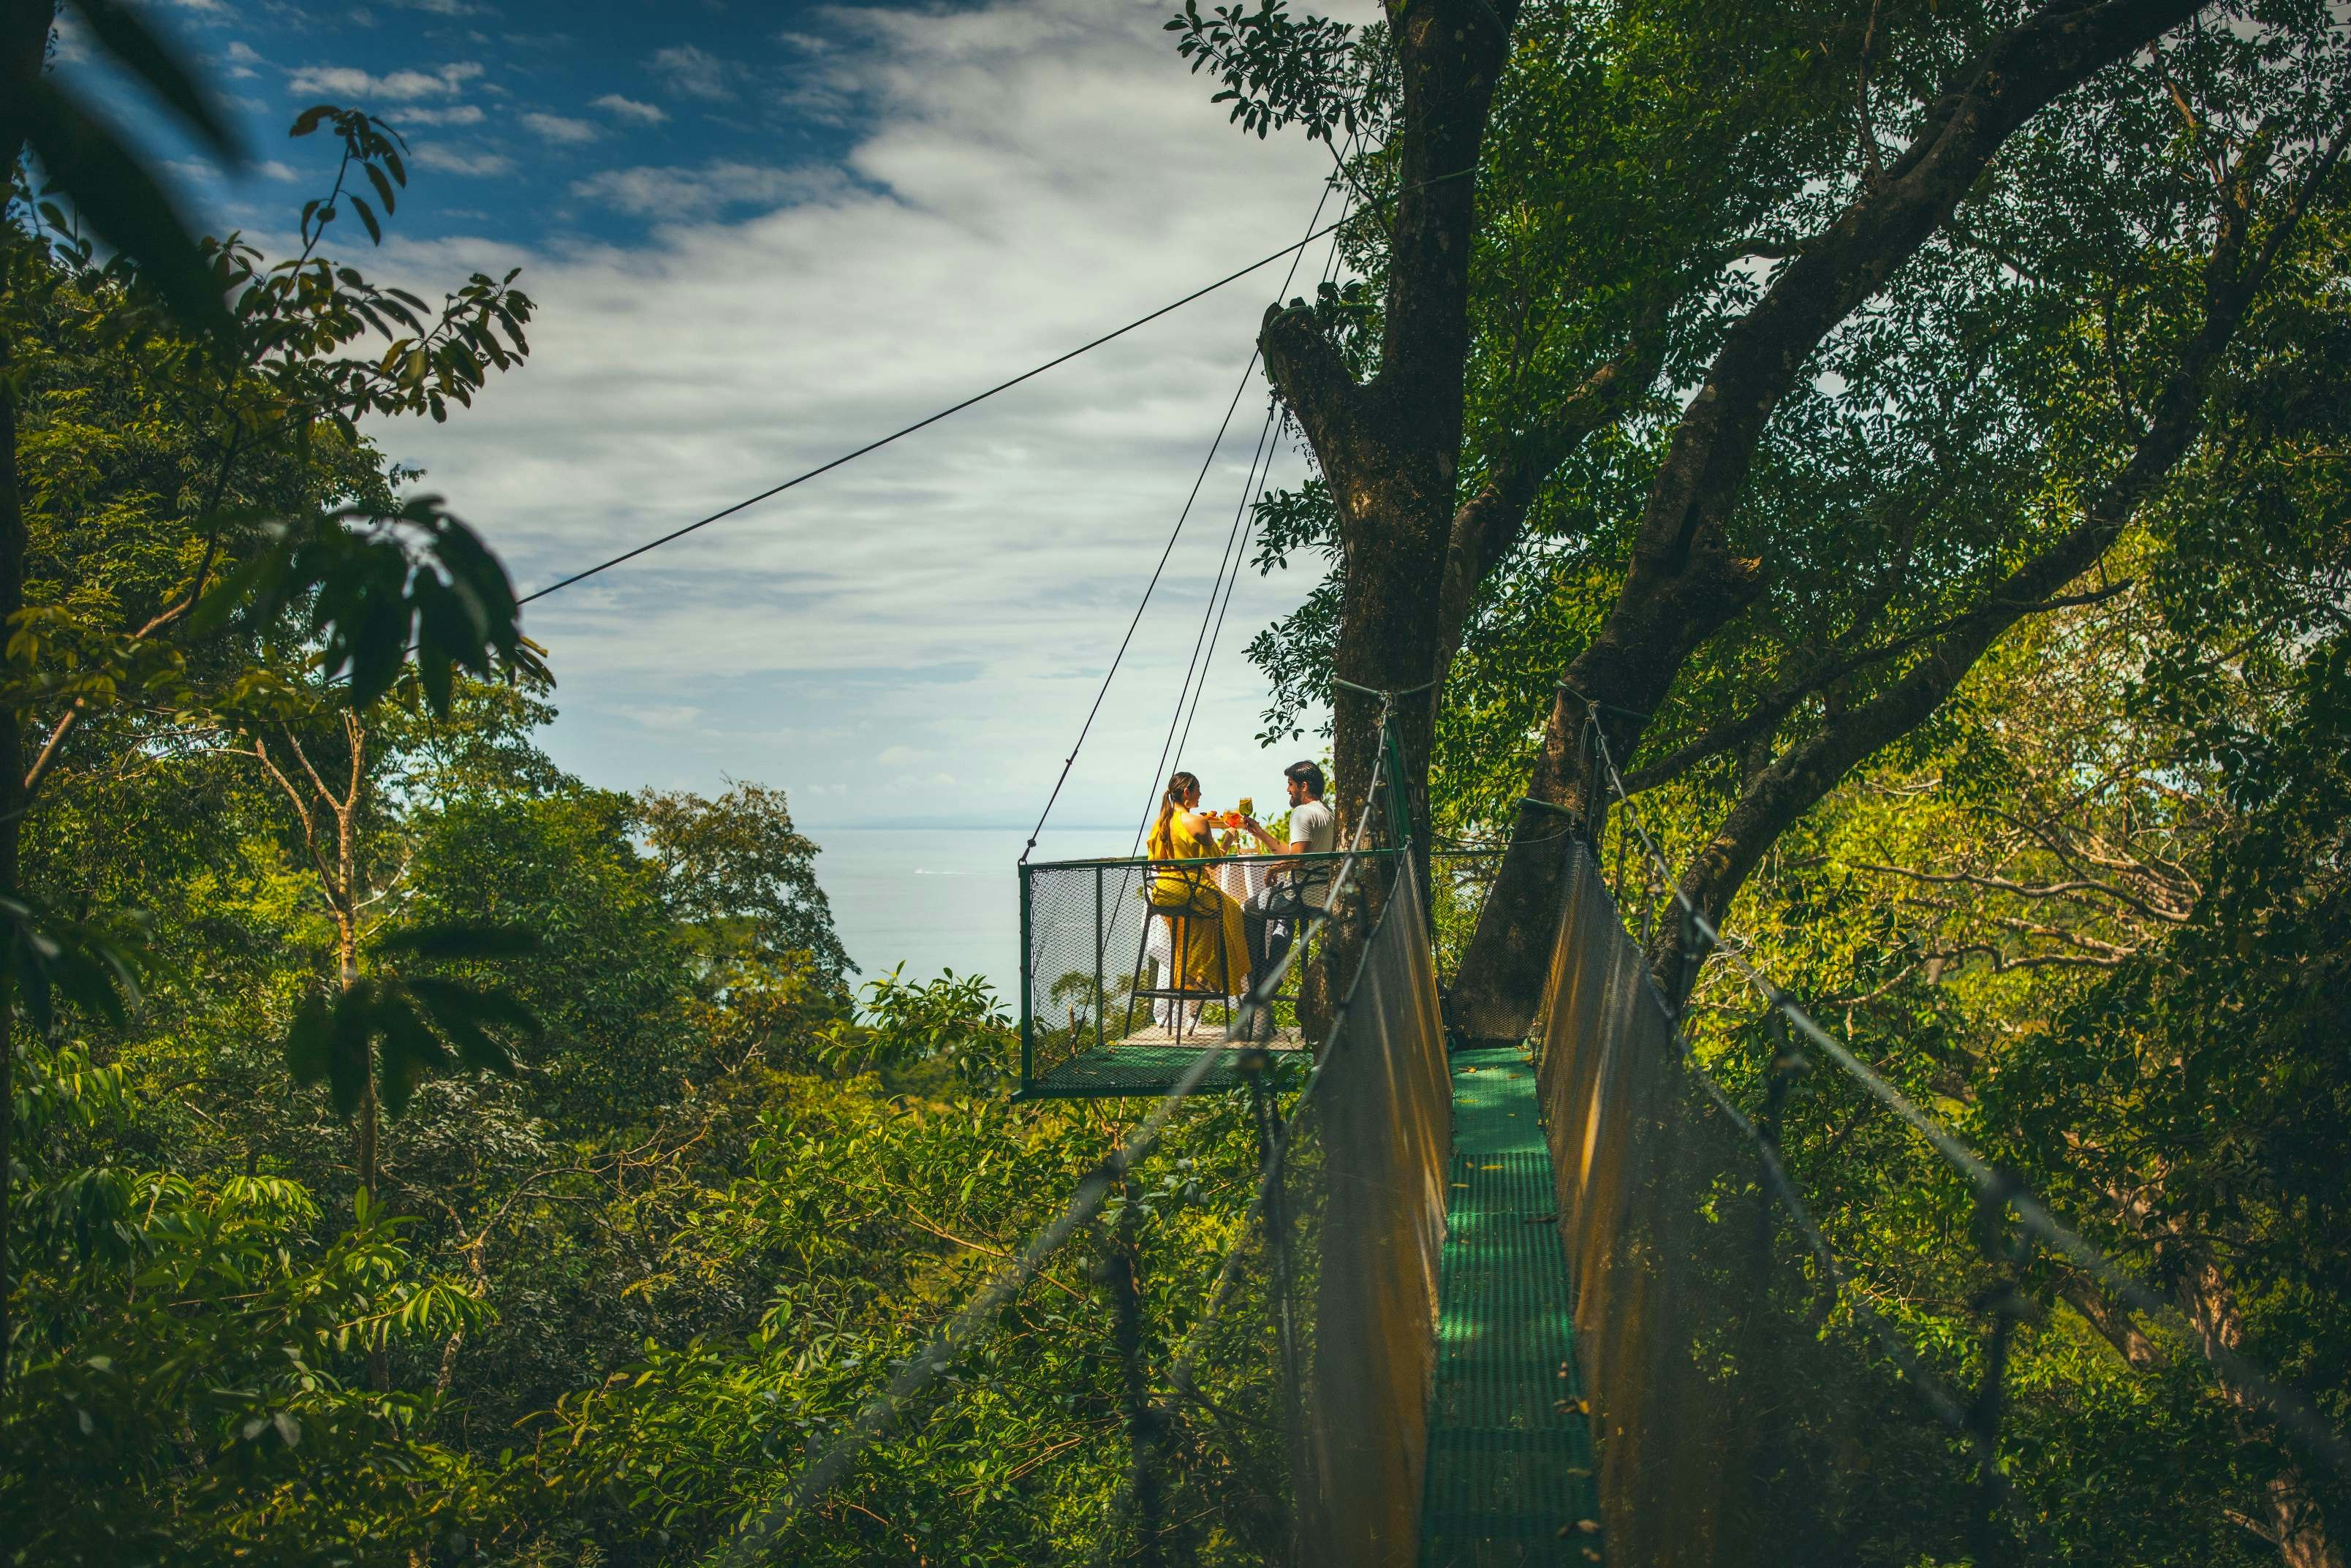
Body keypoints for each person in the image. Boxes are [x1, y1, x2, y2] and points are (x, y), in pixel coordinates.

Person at [1145, 770, 1269, 1009]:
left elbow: (1155, 863)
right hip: (1192, 891)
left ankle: (1193, 978)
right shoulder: (1199, 823)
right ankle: (1205, 976)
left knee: (1208, 924)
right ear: (1187, 792)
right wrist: (1230, 834)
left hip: (1162, 892)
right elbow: (1214, 862)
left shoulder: (1160, 823)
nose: (1201, 794)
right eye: (1198, 790)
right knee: (1233, 913)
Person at [1243, 760, 1336, 980]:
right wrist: (1260, 833)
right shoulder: (1328, 814)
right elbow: (1295, 851)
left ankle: (1259, 977)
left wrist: (1274, 869)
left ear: (1304, 786)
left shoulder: (1302, 813)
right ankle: (1272, 978)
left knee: (1249, 909)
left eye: (1290, 784)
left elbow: (1298, 859)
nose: (1288, 790)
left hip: (1298, 895)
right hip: (1320, 895)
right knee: (1284, 918)